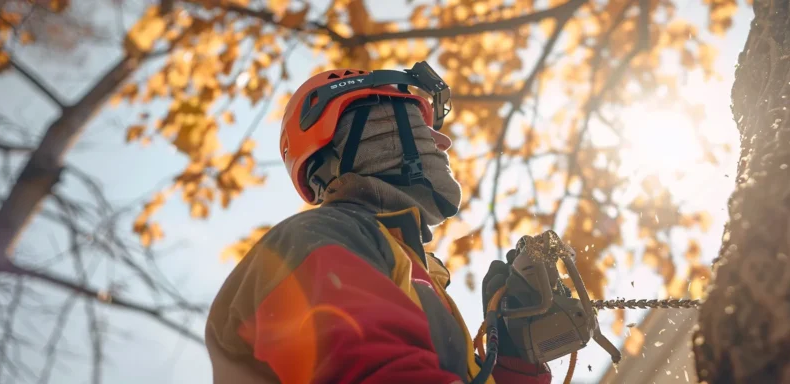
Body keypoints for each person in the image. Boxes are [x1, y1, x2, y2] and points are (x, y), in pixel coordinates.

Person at [204, 66, 553, 384]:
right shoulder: (317, 239)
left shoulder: (407, 269)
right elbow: (375, 372)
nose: (441, 142)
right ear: (358, 130)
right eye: (416, 121)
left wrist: (514, 360)